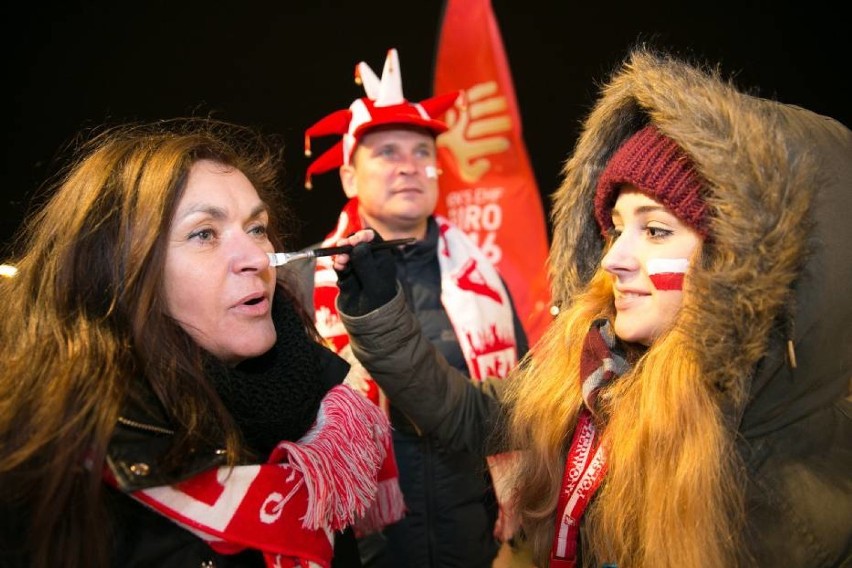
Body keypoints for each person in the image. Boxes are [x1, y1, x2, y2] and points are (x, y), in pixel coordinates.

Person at [329, 46, 852, 567]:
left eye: (654, 229)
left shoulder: (781, 501)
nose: (615, 258)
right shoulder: (591, 367)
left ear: (742, 262)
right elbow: (471, 415)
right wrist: (380, 313)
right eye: (617, 227)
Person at [0, 118, 399, 568]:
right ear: (117, 274)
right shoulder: (54, 468)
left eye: (256, 228)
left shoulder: (315, 407)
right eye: (204, 233)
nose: (256, 258)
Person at [290, 48, 530, 568]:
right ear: (351, 178)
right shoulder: (308, 288)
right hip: (365, 546)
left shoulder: (482, 279)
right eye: (387, 152)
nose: (408, 167)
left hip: (472, 542)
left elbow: (520, 403)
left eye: (422, 153)